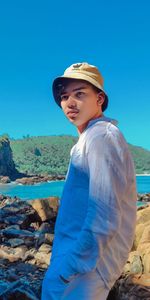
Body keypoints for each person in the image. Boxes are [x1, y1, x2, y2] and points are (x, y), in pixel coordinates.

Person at [42, 62, 137, 300]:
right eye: (64, 96)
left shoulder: (101, 136)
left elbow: (105, 214)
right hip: (81, 267)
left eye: (79, 94)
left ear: (100, 98)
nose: (69, 103)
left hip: (85, 272)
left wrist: (68, 268)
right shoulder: (91, 137)